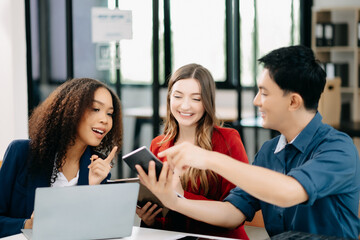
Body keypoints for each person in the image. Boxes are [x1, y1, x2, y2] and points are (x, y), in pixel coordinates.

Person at [136, 46, 360, 239]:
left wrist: (209, 158)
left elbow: (288, 192)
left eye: (263, 93)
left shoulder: (338, 149)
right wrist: (174, 202)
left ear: (293, 101)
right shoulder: (269, 152)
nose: (255, 101)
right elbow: (232, 214)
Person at [136, 63, 249, 239]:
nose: (185, 106)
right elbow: (167, 218)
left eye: (196, 99)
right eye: (178, 96)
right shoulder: (159, 145)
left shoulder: (227, 140)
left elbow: (236, 213)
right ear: (169, 99)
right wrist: (151, 220)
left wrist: (181, 196)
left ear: (207, 102)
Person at [0, 78, 123, 238]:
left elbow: (95, 231)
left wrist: (92, 189)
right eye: (95, 109)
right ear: (71, 110)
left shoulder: (98, 167)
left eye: (109, 113)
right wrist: (27, 225)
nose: (105, 120)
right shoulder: (22, 153)